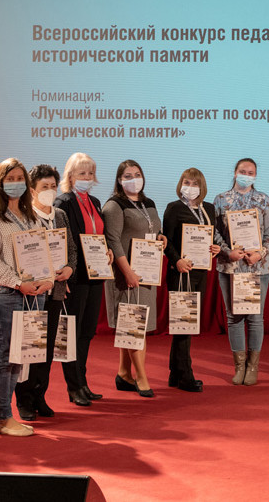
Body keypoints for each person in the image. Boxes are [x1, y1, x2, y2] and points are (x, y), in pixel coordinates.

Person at [0, 157, 51, 437]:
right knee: (7, 355)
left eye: (20, 179)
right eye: (10, 179)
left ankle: (7, 417)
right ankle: (3, 417)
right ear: (0, 182)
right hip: (8, 293)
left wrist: (47, 278)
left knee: (22, 356)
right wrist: (19, 283)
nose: (16, 183)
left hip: (35, 294)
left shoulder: (31, 215)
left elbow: (42, 252)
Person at [14, 164, 76, 420]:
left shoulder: (60, 215)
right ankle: (24, 399)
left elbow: (71, 249)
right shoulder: (23, 217)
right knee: (29, 346)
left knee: (48, 348)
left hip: (56, 291)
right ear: (32, 190)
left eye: (53, 186)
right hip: (32, 292)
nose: (49, 190)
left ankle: (40, 395)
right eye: (44, 187)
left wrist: (70, 268)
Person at [53, 152, 113, 406]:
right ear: (70, 176)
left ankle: (83, 382)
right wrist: (63, 276)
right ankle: (73, 386)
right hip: (75, 277)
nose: (87, 177)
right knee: (72, 333)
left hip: (96, 275)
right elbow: (61, 241)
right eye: (81, 173)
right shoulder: (63, 202)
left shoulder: (96, 202)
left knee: (87, 332)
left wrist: (107, 250)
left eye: (90, 173)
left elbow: (99, 235)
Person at [104, 160, 166, 397]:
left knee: (131, 325)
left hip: (147, 273)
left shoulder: (148, 203)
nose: (133, 179)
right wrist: (128, 272)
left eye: (137, 174)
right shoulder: (114, 206)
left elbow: (153, 230)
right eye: (127, 176)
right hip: (126, 275)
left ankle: (123, 373)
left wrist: (161, 238)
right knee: (133, 326)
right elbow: (113, 240)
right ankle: (142, 377)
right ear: (119, 180)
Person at [213, 158, 269, 386]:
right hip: (230, 267)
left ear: (255, 176)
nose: (246, 175)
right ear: (234, 172)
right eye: (242, 171)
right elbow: (214, 232)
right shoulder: (221, 200)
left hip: (256, 267)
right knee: (234, 317)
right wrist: (228, 252)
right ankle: (239, 366)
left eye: (250, 173)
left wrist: (260, 253)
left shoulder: (263, 200)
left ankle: (252, 366)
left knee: (255, 318)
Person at [162, 168, 220, 392]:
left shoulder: (209, 209)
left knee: (187, 323)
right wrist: (176, 260)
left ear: (202, 186)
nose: (191, 187)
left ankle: (175, 373)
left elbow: (211, 237)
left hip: (200, 272)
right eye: (187, 182)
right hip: (180, 272)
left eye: (195, 183)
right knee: (183, 324)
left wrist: (215, 248)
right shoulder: (174, 208)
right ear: (181, 184)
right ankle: (186, 375)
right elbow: (166, 240)